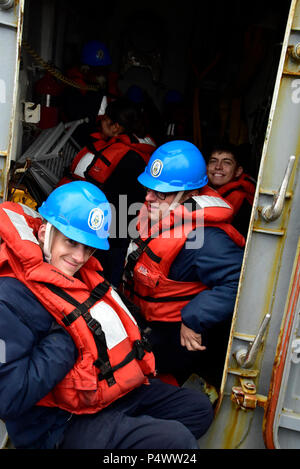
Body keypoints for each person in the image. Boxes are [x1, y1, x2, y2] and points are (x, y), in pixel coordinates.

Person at [0, 181, 213, 450]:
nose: (79, 257)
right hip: (57, 424)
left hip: (105, 393)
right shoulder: (8, 298)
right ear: (44, 232)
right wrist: (67, 337)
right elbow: (8, 396)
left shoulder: (80, 276)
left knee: (197, 409)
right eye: (71, 242)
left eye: (88, 248)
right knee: (176, 442)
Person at [122, 140, 245, 388]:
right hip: (140, 315)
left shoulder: (206, 240)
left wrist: (193, 318)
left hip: (174, 335)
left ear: (189, 194)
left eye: (160, 192)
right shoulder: (159, 211)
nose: (148, 197)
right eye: (149, 188)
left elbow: (240, 282)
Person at [59, 97, 156, 287]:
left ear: (116, 127)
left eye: (104, 119)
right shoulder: (138, 149)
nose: (100, 122)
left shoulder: (127, 157)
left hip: (113, 231)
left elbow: (115, 199)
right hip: (125, 225)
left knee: (103, 278)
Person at [61, 40, 119, 145]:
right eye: (97, 70)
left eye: (103, 69)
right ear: (85, 69)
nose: (101, 74)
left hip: (103, 137)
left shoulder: (108, 86)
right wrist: (95, 91)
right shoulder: (73, 87)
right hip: (77, 141)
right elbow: (80, 118)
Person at [206, 143, 256, 237]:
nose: (218, 167)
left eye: (227, 162)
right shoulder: (196, 191)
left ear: (238, 171)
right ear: (206, 167)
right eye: (213, 161)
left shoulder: (242, 202)